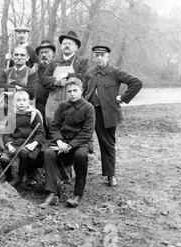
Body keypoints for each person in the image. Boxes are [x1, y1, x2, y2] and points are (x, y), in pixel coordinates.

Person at [83, 44, 143, 187]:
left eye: (102, 55)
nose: (99, 58)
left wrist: (122, 98)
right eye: (96, 55)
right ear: (93, 57)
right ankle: (74, 173)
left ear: (107, 57)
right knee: (81, 141)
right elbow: (84, 91)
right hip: (89, 113)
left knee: (107, 144)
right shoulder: (89, 73)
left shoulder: (114, 71)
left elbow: (136, 83)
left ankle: (110, 175)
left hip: (107, 114)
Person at [39, 77, 95, 208]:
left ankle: (77, 194)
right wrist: (59, 141)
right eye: (69, 91)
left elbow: (87, 132)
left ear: (81, 91)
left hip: (81, 143)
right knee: (48, 153)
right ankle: (51, 193)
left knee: (81, 156)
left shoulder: (89, 108)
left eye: (75, 90)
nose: (72, 93)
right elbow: (54, 126)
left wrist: (70, 146)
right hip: (63, 141)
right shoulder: (63, 105)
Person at [0, 46, 38, 165]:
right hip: (7, 111)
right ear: (13, 57)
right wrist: (16, 87)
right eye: (16, 55)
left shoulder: (32, 74)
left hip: (23, 115)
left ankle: (13, 158)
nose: (19, 58)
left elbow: (31, 92)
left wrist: (11, 89)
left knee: (13, 134)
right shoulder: (7, 72)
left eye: (22, 55)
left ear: (27, 58)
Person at [41, 31, 88, 125]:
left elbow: (85, 77)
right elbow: (44, 79)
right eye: (64, 43)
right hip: (54, 103)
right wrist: (56, 82)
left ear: (76, 47)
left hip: (73, 101)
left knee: (72, 126)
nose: (67, 46)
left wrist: (68, 75)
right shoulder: (54, 62)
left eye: (70, 44)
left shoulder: (82, 61)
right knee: (53, 125)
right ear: (61, 46)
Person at [0, 89, 45, 187]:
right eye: (18, 100)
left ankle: (21, 177)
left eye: (24, 100)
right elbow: (6, 133)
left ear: (28, 101)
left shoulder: (34, 114)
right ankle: (9, 178)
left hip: (30, 144)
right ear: (14, 102)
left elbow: (41, 133)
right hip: (16, 143)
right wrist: (9, 144)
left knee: (24, 153)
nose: (21, 103)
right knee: (4, 159)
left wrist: (34, 144)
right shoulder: (12, 115)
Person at [35, 39, 57, 137]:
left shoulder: (57, 68)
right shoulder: (35, 69)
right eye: (41, 53)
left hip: (52, 106)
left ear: (53, 54)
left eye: (47, 52)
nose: (44, 55)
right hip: (37, 106)